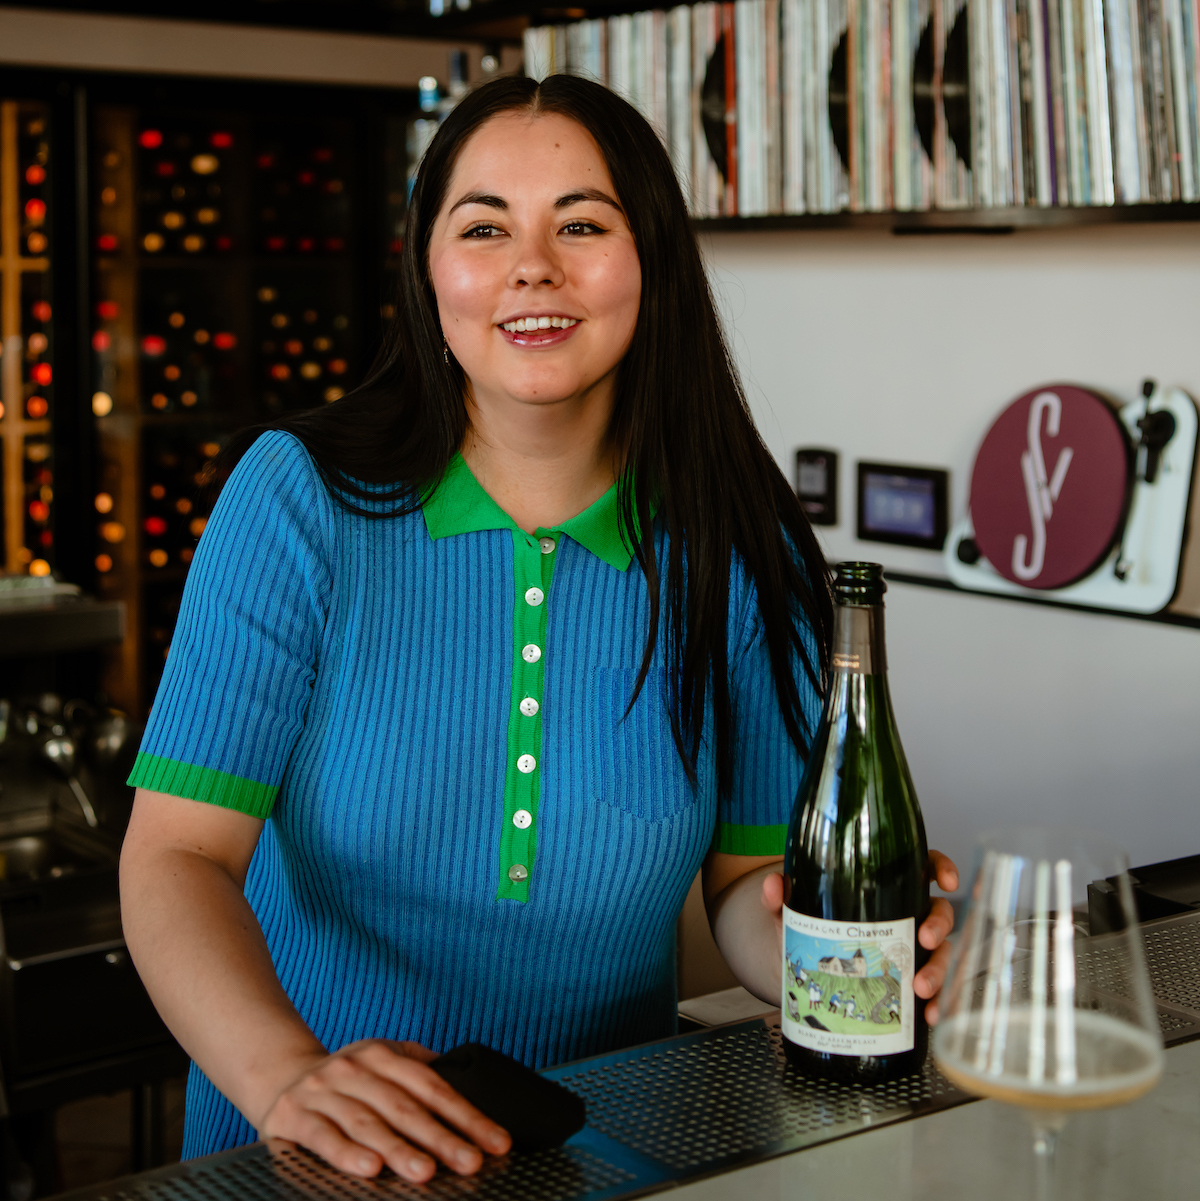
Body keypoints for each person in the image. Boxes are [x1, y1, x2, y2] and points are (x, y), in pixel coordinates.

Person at [119, 74, 959, 1181]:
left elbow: (742, 892)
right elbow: (175, 858)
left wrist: (843, 952)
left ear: (651, 258)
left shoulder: (733, 543)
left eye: (581, 223)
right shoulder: (298, 500)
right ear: (428, 267)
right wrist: (288, 1074)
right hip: (305, 1156)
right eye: (484, 227)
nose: (532, 266)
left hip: (602, 1150)